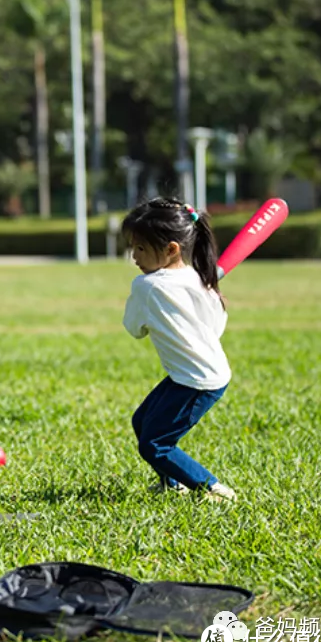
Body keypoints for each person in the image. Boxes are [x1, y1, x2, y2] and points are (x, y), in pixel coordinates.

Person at [121, 197, 236, 502]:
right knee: (142, 421)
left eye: (141, 248)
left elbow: (135, 330)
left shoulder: (147, 286)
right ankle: (173, 483)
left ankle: (211, 489)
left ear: (171, 249)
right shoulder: (199, 278)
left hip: (197, 380)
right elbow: (216, 325)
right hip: (197, 372)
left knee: (155, 444)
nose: (134, 256)